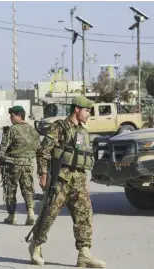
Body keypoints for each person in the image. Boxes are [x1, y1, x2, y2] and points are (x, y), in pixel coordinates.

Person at [28, 96, 106, 268]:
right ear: (76, 109)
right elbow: (43, 151)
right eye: (86, 110)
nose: (88, 114)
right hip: (61, 179)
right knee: (49, 214)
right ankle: (36, 246)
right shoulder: (59, 127)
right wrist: (43, 173)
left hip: (78, 179)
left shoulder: (83, 131)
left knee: (84, 215)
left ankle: (84, 254)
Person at [0, 106, 40, 225]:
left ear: (20, 116)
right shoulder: (32, 130)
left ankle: (11, 215)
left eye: (12, 115)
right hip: (28, 165)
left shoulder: (12, 130)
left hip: (13, 165)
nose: (10, 118)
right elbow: (38, 148)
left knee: (10, 189)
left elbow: (2, 149)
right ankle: (30, 213)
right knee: (28, 189)